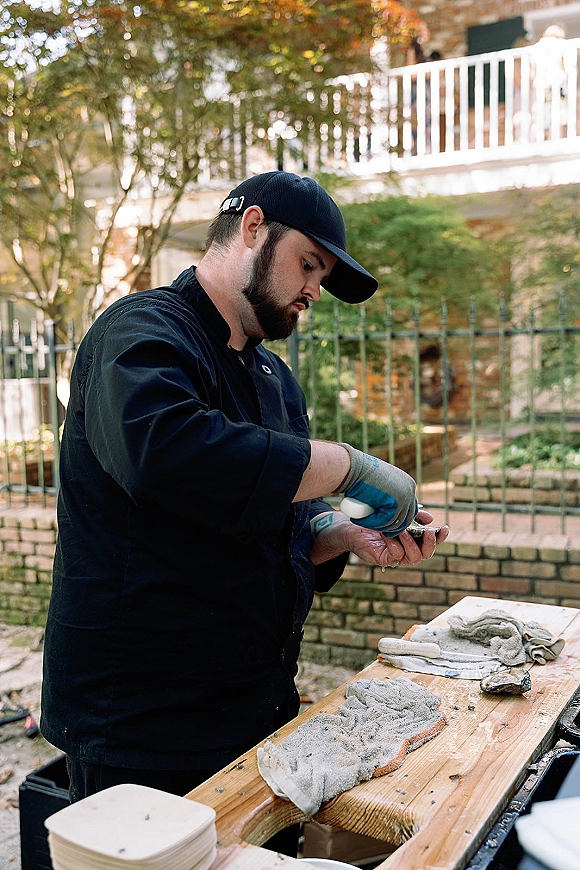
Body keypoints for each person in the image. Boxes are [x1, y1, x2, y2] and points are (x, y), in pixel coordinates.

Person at [40, 171, 448, 855]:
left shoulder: (273, 380)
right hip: (143, 725)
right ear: (252, 227)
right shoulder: (140, 332)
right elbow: (166, 455)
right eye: (308, 264)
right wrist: (350, 464)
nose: (314, 290)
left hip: (257, 710)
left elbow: (281, 526)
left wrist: (349, 533)